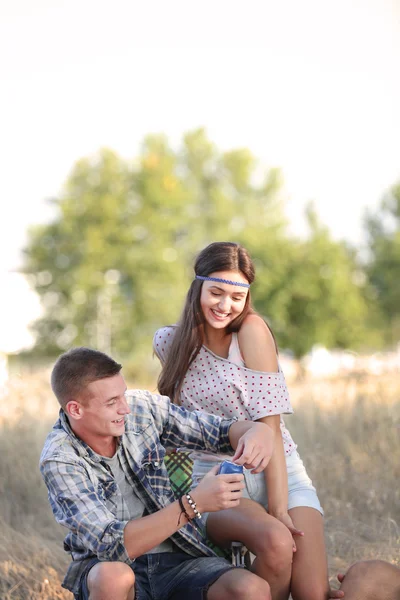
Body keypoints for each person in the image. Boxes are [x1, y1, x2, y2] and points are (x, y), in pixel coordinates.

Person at [154, 241, 339, 600]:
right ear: (198, 289)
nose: (225, 306)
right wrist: (173, 495)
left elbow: (269, 426)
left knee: (312, 593)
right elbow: (174, 429)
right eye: (216, 292)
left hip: (280, 471)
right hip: (215, 478)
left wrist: (279, 508)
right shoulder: (168, 342)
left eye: (236, 297)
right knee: (276, 542)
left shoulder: (251, 332)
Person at [40, 346, 276, 600]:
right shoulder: (60, 459)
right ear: (75, 409)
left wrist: (256, 432)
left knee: (252, 590)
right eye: (112, 403)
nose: (125, 409)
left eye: (123, 395)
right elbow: (113, 546)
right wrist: (193, 504)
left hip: (179, 558)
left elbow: (217, 432)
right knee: (114, 577)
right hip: (110, 567)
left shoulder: (142, 409)